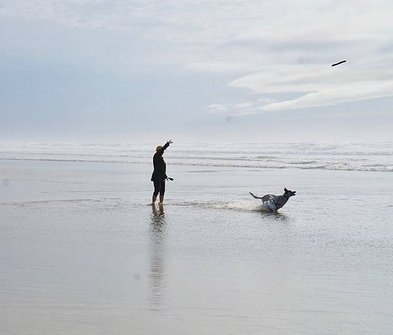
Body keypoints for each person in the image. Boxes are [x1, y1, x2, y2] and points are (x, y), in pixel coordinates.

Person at [151, 140, 173, 204]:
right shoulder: (156, 155)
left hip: (162, 176)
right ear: (159, 151)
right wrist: (167, 144)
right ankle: (153, 203)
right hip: (156, 176)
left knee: (162, 190)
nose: (163, 152)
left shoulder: (160, 157)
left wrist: (165, 176)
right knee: (157, 190)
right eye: (162, 151)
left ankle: (161, 203)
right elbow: (162, 149)